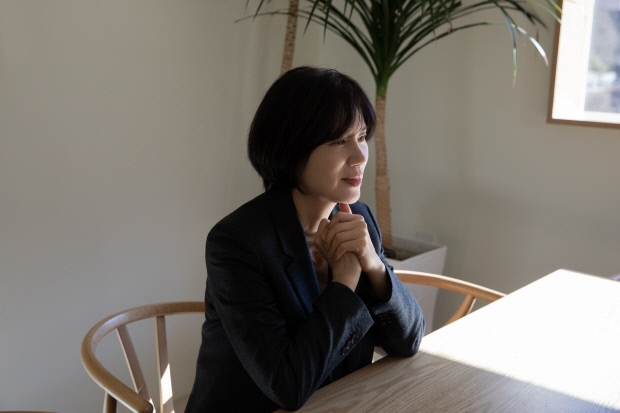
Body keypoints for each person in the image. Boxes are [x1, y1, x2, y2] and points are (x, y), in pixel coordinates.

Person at [185, 66, 425, 413]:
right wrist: (344, 282)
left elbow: (409, 340)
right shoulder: (237, 243)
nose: (360, 156)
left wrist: (373, 265)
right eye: (339, 141)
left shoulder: (358, 219)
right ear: (292, 148)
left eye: (361, 137)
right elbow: (287, 386)